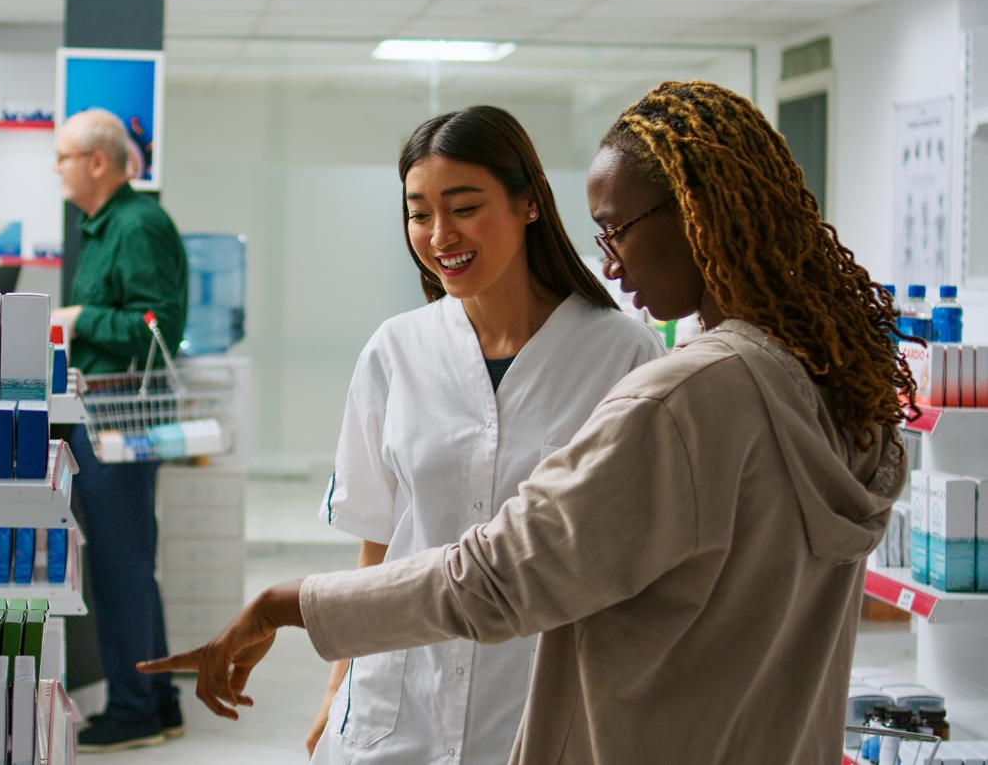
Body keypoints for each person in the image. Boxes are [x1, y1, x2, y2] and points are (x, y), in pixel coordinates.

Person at [141, 80, 914, 764]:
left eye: (617, 230)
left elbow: (503, 574)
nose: (610, 262)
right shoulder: (822, 382)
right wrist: (340, 678)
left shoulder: (671, 387)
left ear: (699, 214)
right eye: (419, 212)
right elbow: (389, 528)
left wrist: (286, 604)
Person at [306, 106, 664, 764]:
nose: (440, 234)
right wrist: (339, 685)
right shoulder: (395, 351)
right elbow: (380, 541)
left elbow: (633, 560)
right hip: (397, 708)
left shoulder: (621, 355)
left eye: (464, 207)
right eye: (419, 213)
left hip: (538, 703)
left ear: (528, 203)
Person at [52, 108, 188, 753]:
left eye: (64, 157)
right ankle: (157, 699)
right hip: (100, 412)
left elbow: (157, 325)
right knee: (128, 563)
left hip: (120, 419)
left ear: (97, 162)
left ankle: (134, 707)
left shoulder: (138, 225)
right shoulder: (103, 227)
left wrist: (80, 319)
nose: (58, 169)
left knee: (119, 566)